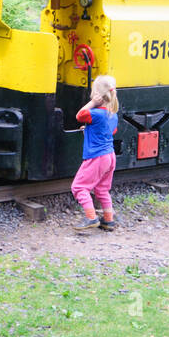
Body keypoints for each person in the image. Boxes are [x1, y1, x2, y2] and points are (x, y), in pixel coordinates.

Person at [70, 74, 119, 234]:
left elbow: (79, 115)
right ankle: (108, 220)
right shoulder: (113, 115)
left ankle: (91, 217)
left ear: (97, 95)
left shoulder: (95, 113)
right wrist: (90, 131)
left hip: (97, 157)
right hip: (110, 156)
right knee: (102, 190)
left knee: (79, 187)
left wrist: (92, 103)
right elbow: (110, 132)